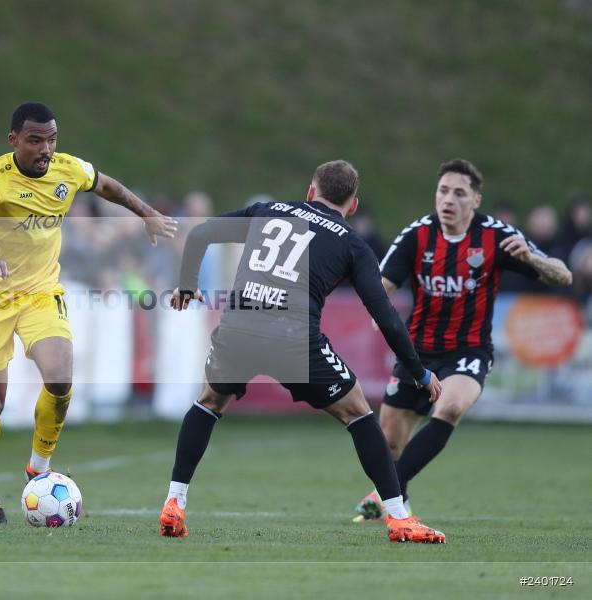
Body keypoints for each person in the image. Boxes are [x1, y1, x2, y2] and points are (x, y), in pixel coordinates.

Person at [160, 160, 446, 544]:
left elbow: (201, 234)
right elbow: (385, 315)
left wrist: (186, 284)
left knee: (209, 401)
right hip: (292, 339)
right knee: (359, 412)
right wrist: (417, 371)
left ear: (311, 191)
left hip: (238, 329)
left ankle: (174, 503)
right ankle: (399, 518)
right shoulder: (351, 242)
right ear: (354, 205)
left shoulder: (268, 210)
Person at [0, 101, 178, 523]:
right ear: (14, 140)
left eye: (52, 139)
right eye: (35, 140)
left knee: (60, 376)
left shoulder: (67, 169)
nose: (46, 149)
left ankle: (38, 465)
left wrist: (145, 213)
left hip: (39, 292)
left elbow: (106, 186)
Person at [353, 159, 572, 522]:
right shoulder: (417, 235)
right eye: (443, 191)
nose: (448, 199)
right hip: (417, 352)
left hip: (468, 350)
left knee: (451, 407)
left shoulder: (498, 236)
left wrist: (533, 258)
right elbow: (380, 286)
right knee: (390, 443)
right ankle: (397, 502)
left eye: (459, 193)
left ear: (475, 200)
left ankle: (387, 493)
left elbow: (562, 276)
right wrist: (378, 313)